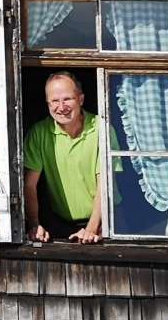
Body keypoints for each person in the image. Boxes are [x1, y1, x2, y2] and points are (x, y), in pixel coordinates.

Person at [22, 71, 106, 243]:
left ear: (81, 99)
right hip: (59, 222)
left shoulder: (101, 128)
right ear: (47, 103)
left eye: (67, 99)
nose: (61, 107)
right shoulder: (39, 132)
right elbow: (29, 185)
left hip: (103, 221)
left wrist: (92, 228)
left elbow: (104, 184)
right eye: (54, 101)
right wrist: (35, 225)